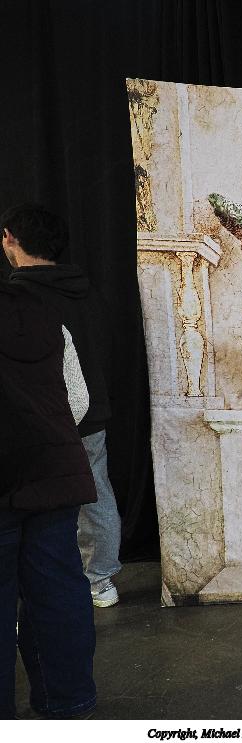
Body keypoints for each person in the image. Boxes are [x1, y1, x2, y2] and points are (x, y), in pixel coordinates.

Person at [1, 205, 122, 607]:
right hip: (91, 410)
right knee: (95, 494)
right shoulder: (86, 290)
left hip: (37, 419)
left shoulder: (19, 298)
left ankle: (47, 588)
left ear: (9, 238)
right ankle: (100, 581)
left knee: (39, 508)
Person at [0, 281, 98, 719]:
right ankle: (69, 704)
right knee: (58, 591)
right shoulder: (40, 312)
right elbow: (77, 399)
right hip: (53, 472)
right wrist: (41, 436)